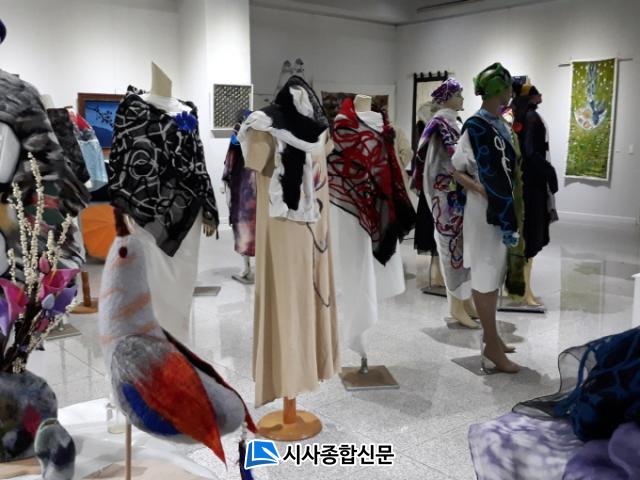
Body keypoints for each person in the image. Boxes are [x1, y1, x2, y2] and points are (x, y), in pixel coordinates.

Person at [452, 63, 521, 373]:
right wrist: (482, 189)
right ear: (498, 90)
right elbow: (456, 169)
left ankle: (492, 336)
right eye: (507, 88)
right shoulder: (475, 126)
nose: (510, 93)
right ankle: (491, 343)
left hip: (501, 207)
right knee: (485, 271)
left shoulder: (499, 123)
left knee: (495, 271)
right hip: (483, 211)